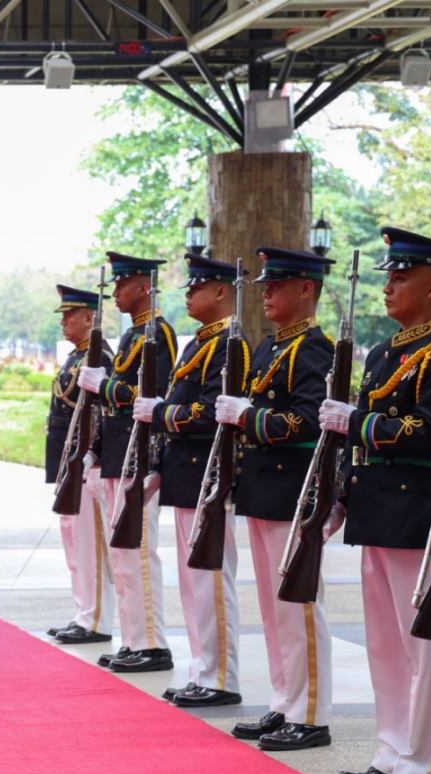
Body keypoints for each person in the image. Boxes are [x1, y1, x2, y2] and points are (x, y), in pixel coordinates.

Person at [320, 227, 431, 774]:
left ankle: (428, 766)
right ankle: (393, 751)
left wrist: (356, 423)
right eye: (388, 275)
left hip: (418, 509)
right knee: (385, 644)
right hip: (378, 506)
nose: (388, 286)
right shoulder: (387, 352)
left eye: (400, 276)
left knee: (424, 646)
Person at [215, 247, 335, 749]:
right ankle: (285, 701)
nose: (265, 294)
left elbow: (309, 421)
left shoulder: (313, 349)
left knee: (299, 605)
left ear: (306, 290)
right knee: (272, 605)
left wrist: (249, 418)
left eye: (276, 285)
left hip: (292, 488)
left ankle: (310, 713)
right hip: (264, 487)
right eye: (265, 285)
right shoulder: (268, 348)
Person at [142, 253, 243, 707]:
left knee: (211, 579)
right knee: (193, 580)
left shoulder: (229, 344)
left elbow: (212, 412)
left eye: (196, 287)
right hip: (187, 474)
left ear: (221, 291)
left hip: (209, 474)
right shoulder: (198, 342)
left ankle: (220, 677)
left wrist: (161, 414)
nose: (188, 294)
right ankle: (203, 669)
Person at [77, 252, 177, 673]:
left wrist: (106, 385)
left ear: (143, 287)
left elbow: (152, 396)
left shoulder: (158, 333)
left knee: (136, 553)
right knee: (122, 554)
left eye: (121, 285)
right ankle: (135, 639)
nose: (115, 292)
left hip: (138, 455)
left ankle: (152, 643)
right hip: (120, 454)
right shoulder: (134, 334)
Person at [44, 283, 114, 645]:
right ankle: (83, 612)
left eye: (70, 316)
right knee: (74, 540)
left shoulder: (99, 356)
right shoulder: (78, 356)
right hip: (68, 462)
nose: (64, 322)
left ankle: (96, 619)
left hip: (86, 463)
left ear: (90, 318)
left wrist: (91, 458)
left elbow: (101, 413)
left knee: (89, 544)